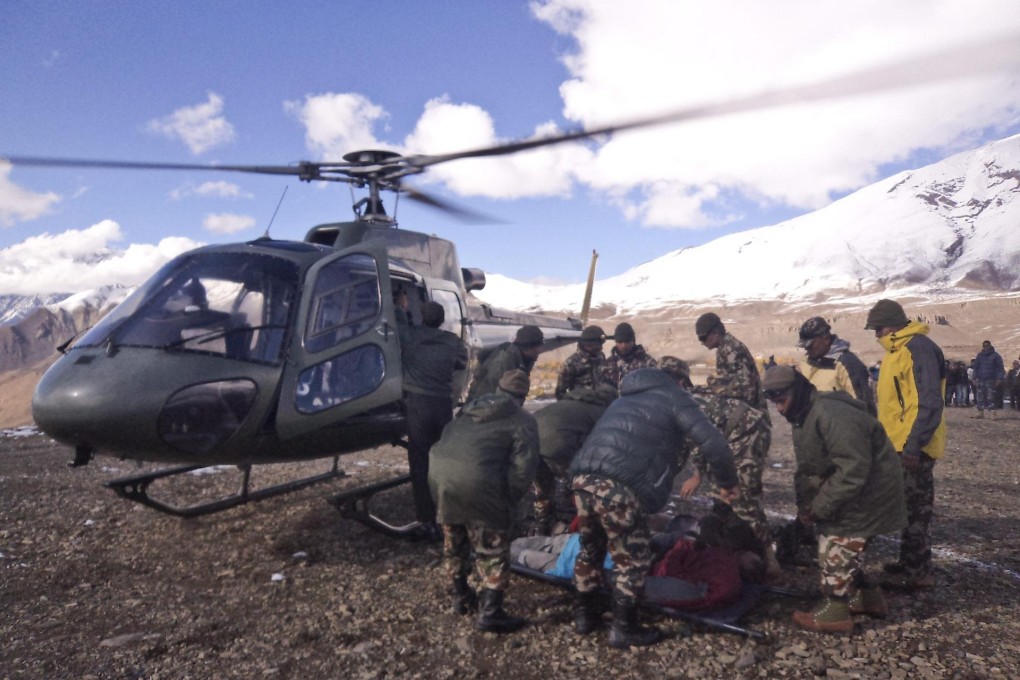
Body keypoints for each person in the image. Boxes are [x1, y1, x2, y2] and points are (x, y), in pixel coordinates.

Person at [568, 367, 739, 648]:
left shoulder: (622, 400)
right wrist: (727, 482)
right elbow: (713, 443)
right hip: (619, 485)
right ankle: (624, 628)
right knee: (633, 558)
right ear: (676, 382)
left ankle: (584, 616)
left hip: (583, 479)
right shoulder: (675, 397)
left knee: (591, 548)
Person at [762, 366, 907, 633]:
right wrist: (807, 507)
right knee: (840, 543)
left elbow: (853, 469)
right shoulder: (803, 414)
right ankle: (867, 597)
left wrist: (820, 507)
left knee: (835, 546)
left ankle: (835, 611)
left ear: (798, 392)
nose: (779, 410)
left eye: (782, 401)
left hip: (871, 493)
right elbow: (811, 469)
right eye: (775, 403)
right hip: (858, 489)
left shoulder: (831, 414)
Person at [428, 369, 539, 633]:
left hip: (441, 480)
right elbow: (524, 469)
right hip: (479, 485)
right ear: (522, 396)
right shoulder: (521, 419)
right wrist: (507, 499)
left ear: (499, 390)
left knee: (454, 543)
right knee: (492, 550)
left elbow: (445, 439)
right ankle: (491, 613)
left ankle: (460, 597)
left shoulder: (468, 411)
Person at [668, 356, 780, 579]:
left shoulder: (683, 403)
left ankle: (770, 558)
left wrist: (697, 475)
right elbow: (685, 447)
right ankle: (739, 544)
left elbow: (696, 443)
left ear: (679, 381)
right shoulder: (676, 400)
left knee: (741, 495)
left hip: (748, 432)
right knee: (722, 495)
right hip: (728, 437)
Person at [865, 299, 946, 592]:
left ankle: (917, 573)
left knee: (916, 509)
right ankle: (910, 562)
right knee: (909, 506)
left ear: (894, 324)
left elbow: (929, 401)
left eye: (879, 328)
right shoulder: (897, 350)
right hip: (899, 442)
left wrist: (914, 446)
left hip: (913, 446)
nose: (877, 335)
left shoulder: (917, 348)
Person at [395, 297, 468, 541]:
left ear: (422, 318)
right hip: (442, 405)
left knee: (420, 461)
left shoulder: (411, 336)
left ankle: (427, 521)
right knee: (443, 459)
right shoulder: (453, 341)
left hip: (417, 405)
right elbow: (461, 363)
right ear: (442, 320)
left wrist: (401, 306)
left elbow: (397, 325)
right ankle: (449, 515)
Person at [531, 383, 618, 535]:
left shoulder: (568, 403)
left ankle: (541, 523)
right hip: (558, 445)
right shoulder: (600, 411)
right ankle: (577, 524)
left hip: (531, 441)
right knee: (577, 483)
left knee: (542, 486)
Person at [796, 316, 875, 416]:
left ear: (825, 338)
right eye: (805, 347)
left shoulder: (848, 364)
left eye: (810, 346)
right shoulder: (805, 361)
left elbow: (863, 406)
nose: (807, 350)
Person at [465, 325, 543, 403]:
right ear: (527, 347)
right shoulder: (502, 363)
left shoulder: (523, 359)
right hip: (481, 405)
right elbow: (488, 396)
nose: (540, 350)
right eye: (537, 346)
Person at [554, 325, 609, 400]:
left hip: (601, 402)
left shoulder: (600, 356)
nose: (601, 348)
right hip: (580, 403)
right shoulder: (571, 364)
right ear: (588, 345)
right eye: (597, 345)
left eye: (601, 344)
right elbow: (560, 393)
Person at [603, 322, 657, 388]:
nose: (623, 346)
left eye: (627, 341)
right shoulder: (608, 364)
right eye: (620, 342)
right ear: (616, 342)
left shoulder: (647, 362)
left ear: (633, 341)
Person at [972, 340, 1005, 419]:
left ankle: (992, 413)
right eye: (984, 346)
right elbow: (976, 367)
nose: (985, 347)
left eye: (987, 346)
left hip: (991, 380)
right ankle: (980, 412)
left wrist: (999, 378)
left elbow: (1000, 368)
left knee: (991, 397)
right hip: (980, 379)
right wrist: (974, 377)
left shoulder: (996, 356)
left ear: (990, 346)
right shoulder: (980, 356)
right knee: (979, 397)